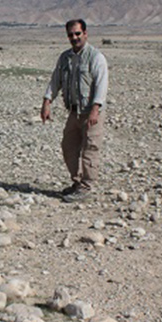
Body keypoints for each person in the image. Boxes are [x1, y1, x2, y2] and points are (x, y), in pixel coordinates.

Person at [40, 19, 109, 202]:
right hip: (74, 112)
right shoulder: (65, 58)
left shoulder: (96, 57)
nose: (74, 37)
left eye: (78, 33)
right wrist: (47, 101)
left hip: (91, 112)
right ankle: (77, 182)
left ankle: (86, 187)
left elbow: (101, 85)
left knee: (90, 149)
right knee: (68, 147)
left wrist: (95, 109)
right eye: (71, 34)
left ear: (85, 34)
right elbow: (56, 81)